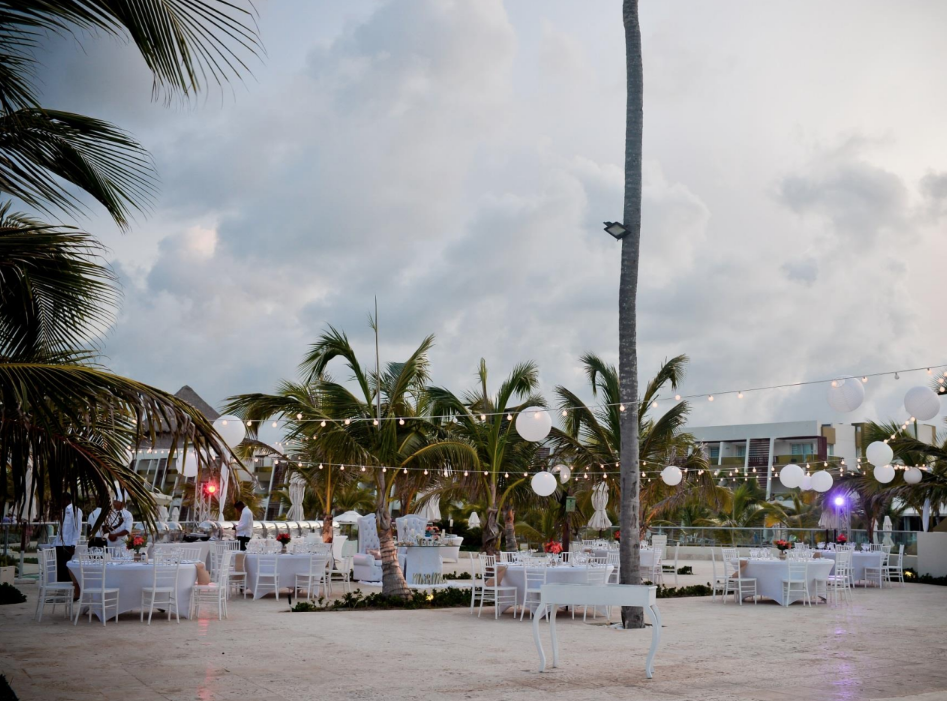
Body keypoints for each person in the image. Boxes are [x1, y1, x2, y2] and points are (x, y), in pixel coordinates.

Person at [53, 494, 82, 593]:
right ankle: (60, 591)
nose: (60, 503)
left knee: (66, 569)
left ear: (67, 500)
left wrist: (74, 544)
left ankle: (68, 592)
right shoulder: (62, 511)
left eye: (61, 500)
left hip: (69, 544)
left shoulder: (76, 510)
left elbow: (77, 529)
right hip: (59, 544)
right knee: (60, 568)